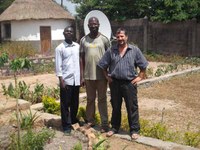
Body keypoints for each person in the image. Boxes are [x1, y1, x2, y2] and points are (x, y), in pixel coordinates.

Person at [98, 27, 148, 139]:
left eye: (122, 36)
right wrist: (107, 76)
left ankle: (134, 130)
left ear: (126, 37)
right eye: (118, 36)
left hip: (129, 84)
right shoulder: (111, 50)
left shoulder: (134, 50)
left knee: (132, 107)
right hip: (114, 83)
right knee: (115, 107)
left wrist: (140, 76)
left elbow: (143, 65)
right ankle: (115, 128)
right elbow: (102, 65)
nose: (120, 38)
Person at [80, 17, 111, 132]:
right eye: (91, 24)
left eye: (95, 24)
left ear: (98, 25)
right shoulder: (83, 40)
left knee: (102, 99)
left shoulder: (104, 39)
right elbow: (81, 59)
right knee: (90, 99)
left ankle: (104, 124)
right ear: (88, 26)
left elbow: (110, 57)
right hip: (88, 76)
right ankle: (90, 121)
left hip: (102, 76)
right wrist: (82, 76)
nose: (93, 26)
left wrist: (109, 74)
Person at [55, 26, 80, 135]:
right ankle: (66, 126)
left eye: (71, 31)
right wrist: (61, 80)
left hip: (76, 80)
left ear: (73, 34)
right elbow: (58, 65)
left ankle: (73, 120)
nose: (69, 33)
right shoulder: (60, 48)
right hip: (66, 80)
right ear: (64, 33)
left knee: (75, 102)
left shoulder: (77, 46)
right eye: (67, 31)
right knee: (65, 104)